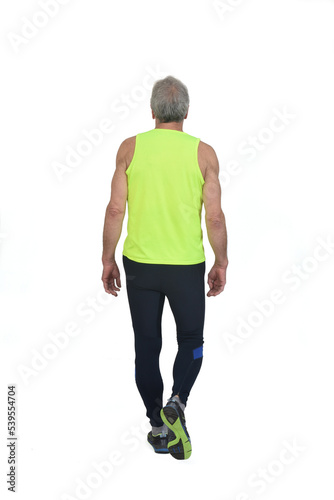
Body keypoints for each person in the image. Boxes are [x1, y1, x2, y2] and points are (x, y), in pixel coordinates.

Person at [101, 75, 228, 460]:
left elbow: (115, 209)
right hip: (186, 265)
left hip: (140, 264)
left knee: (146, 346)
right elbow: (216, 218)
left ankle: (157, 424)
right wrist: (221, 261)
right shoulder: (203, 154)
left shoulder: (130, 148)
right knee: (191, 342)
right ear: (186, 113)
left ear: (153, 112)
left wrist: (107, 259)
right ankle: (178, 402)